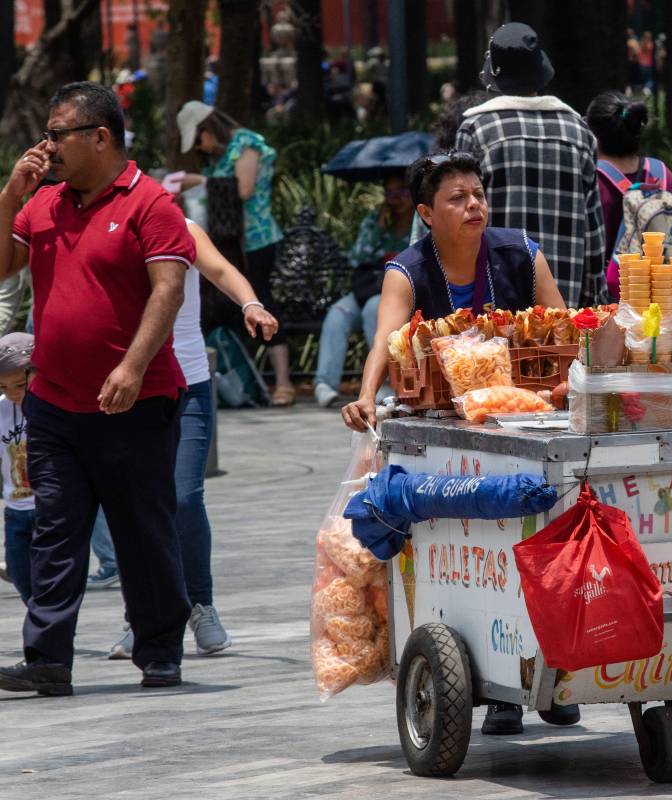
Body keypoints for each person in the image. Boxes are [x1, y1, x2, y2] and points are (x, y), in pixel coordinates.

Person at [341, 151, 573, 736]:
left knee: (545, 532)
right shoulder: (408, 269)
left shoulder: (521, 251)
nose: (474, 205)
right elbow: (386, 340)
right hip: (452, 437)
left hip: (528, 421)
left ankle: (556, 666)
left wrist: (575, 381)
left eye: (478, 194)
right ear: (426, 213)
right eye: (457, 198)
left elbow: (566, 327)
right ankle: (500, 687)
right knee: (487, 553)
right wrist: (366, 395)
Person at [0, 81, 195, 695]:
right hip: (54, 400)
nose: (47, 145)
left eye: (58, 133)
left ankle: (160, 649)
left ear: (100, 137)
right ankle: (48, 660)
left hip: (135, 401)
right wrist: (10, 194)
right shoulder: (43, 203)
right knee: (55, 532)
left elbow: (169, 291)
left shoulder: (150, 204)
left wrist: (133, 366)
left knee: (143, 531)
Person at [102, 219, 278, 659]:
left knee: (183, 497)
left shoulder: (177, 225)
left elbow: (220, 270)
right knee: (135, 504)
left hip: (189, 385)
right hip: (127, 386)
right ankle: (142, 618)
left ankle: (201, 607)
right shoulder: (98, 228)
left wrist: (250, 304)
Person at [455, 22, 605, 308]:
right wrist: (591, 304)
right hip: (562, 312)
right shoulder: (578, 131)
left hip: (492, 311)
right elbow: (594, 231)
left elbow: (456, 222)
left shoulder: (476, 129)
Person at [176, 101, 294, 406]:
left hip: (256, 238)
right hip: (229, 241)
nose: (200, 146)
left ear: (208, 128)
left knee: (262, 299)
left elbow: (244, 188)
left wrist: (198, 181)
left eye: (199, 138)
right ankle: (246, 381)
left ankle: (283, 382)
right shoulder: (219, 156)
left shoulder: (246, 142)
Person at [314, 174, 414, 408]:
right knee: (337, 313)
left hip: (395, 294)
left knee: (374, 310)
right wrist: (378, 226)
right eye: (389, 192)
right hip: (366, 288)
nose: (395, 198)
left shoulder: (420, 222)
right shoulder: (376, 220)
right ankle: (324, 383)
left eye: (401, 191)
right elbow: (356, 257)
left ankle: (387, 383)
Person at [585, 91, 672, 298]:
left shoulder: (592, 180)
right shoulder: (664, 175)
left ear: (593, 135)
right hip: (663, 301)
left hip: (611, 303)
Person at [0, 333, 35, 606]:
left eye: (20, 385)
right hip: (15, 509)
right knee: (18, 570)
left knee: (52, 575)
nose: (13, 394)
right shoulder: (1, 409)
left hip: (50, 508)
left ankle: (48, 623)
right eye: (3, 386)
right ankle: (39, 614)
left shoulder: (51, 405)